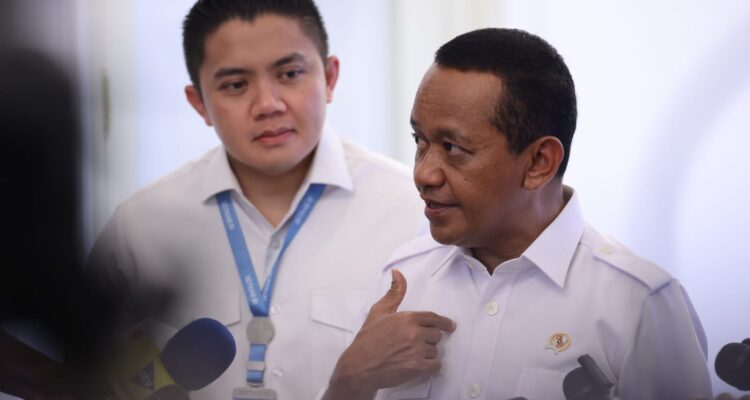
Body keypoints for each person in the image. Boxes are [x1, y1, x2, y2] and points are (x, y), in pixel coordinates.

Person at [323, 28, 713, 400]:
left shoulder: (637, 302)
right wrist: (350, 379)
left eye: (453, 148)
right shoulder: (402, 279)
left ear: (539, 162)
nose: (424, 173)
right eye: (419, 141)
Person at [87, 0, 423, 399]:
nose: (268, 104)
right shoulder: (142, 225)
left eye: (290, 74)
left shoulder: (414, 211)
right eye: (235, 85)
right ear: (199, 103)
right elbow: (80, 373)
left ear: (330, 77)